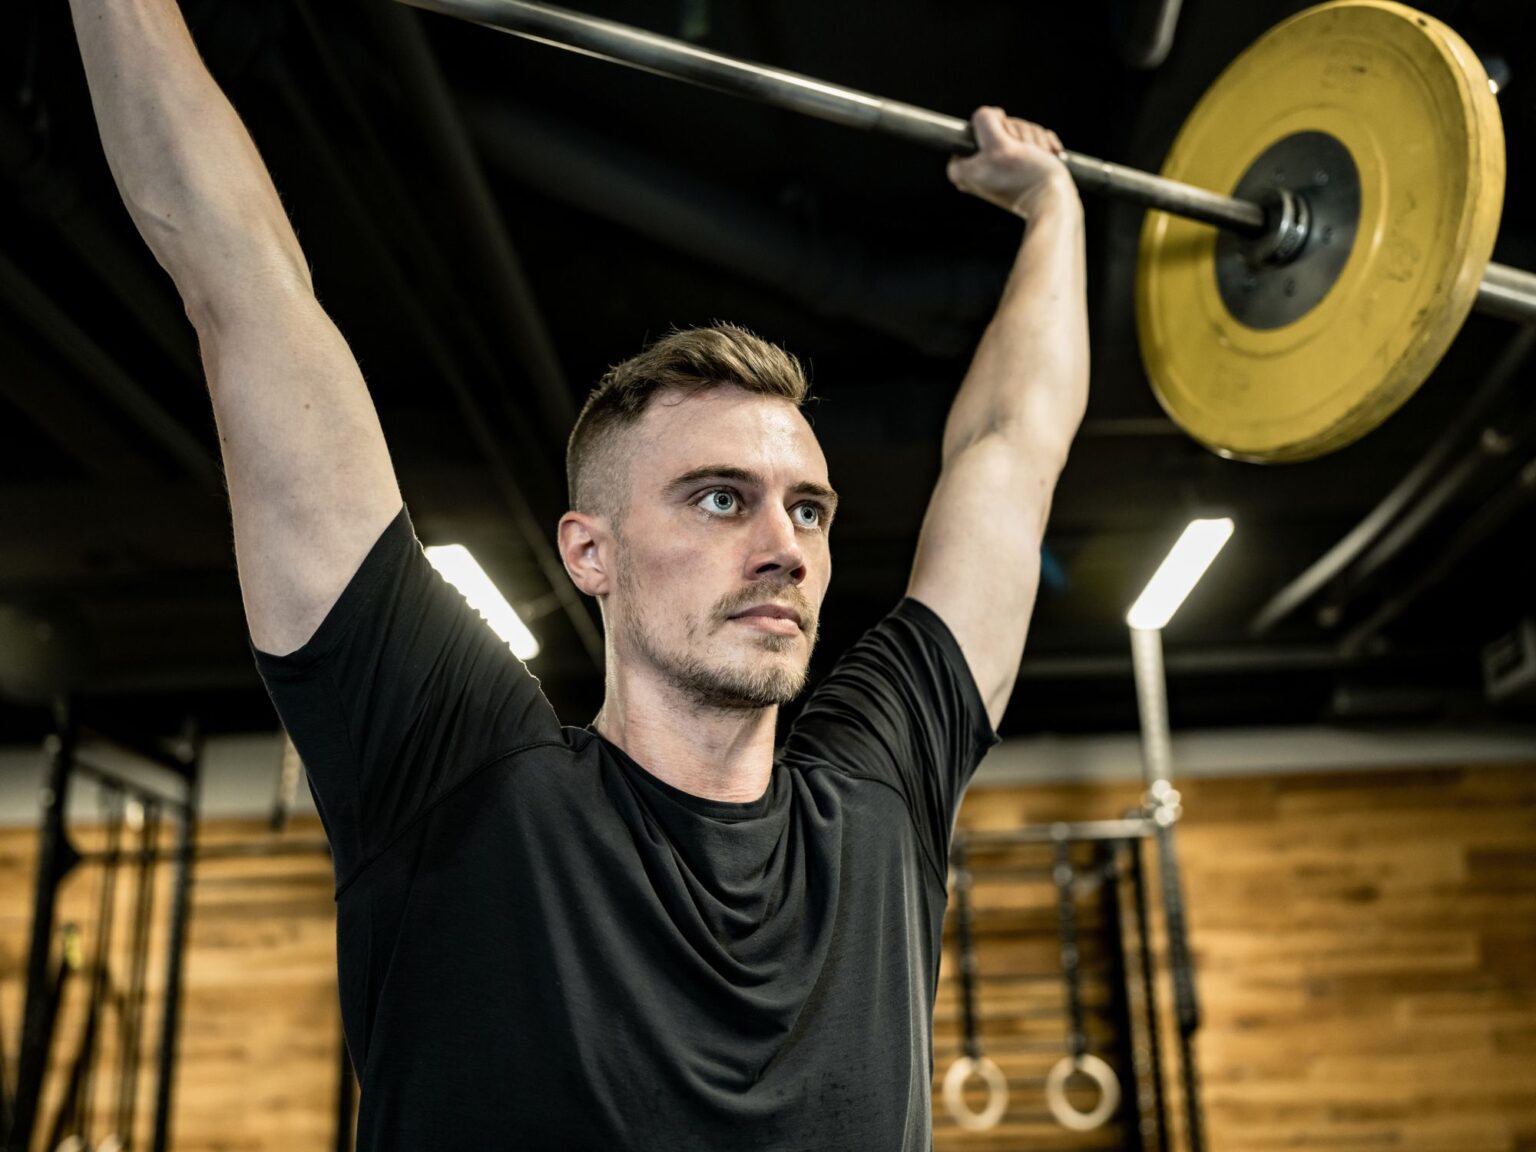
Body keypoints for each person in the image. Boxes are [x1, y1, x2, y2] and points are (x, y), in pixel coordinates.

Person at [70, 0, 1087, 1146]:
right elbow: (240, 286)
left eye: (808, 508)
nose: (785, 545)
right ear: (586, 551)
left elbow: (1012, 445)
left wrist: (1054, 212)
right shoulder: (455, 775)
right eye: (720, 497)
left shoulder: (877, 798)